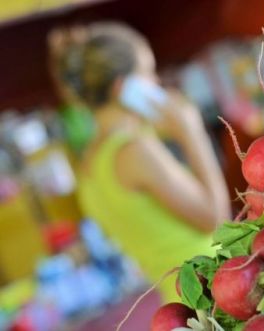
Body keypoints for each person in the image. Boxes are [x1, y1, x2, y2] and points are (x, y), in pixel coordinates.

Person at [47, 22, 231, 301]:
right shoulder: (134, 151)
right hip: (214, 294)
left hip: (182, 300)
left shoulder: (91, 163)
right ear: (123, 87)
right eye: (148, 72)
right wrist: (192, 133)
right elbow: (217, 222)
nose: (156, 82)